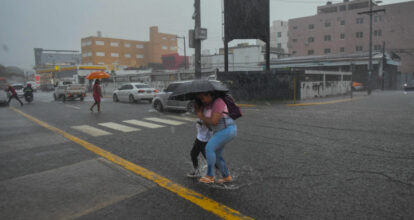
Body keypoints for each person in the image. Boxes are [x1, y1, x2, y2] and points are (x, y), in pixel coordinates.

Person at [196, 92, 237, 184]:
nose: (202, 100)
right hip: (218, 132)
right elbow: (210, 125)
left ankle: (210, 176)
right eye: (200, 98)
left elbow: (214, 121)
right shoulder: (207, 105)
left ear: (209, 95)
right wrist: (202, 116)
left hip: (227, 130)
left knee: (209, 148)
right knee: (217, 154)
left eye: (203, 97)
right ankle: (226, 176)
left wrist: (202, 117)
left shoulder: (218, 102)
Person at [187, 99, 212, 178]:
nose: (194, 108)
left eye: (195, 107)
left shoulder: (206, 113)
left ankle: (223, 173)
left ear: (200, 107)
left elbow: (212, 128)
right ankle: (196, 171)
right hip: (199, 139)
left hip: (205, 141)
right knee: (193, 154)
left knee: (210, 160)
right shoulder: (199, 113)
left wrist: (205, 122)